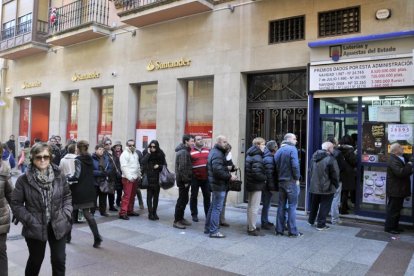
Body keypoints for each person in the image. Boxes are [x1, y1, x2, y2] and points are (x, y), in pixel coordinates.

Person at [11, 142, 72, 275]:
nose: (43, 160)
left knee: (59, 260)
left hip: (58, 223)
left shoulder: (59, 175)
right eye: (39, 157)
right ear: (32, 158)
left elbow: (67, 196)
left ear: (50, 157)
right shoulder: (24, 180)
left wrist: (66, 213)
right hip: (35, 226)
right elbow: (16, 203)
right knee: (35, 260)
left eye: (46, 156)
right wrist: (30, 221)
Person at [67, 140, 102, 247]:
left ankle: (67, 237)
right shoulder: (90, 158)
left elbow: (76, 175)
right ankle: (97, 237)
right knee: (88, 214)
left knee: (71, 213)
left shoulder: (78, 160)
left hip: (78, 189)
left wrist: (68, 177)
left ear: (78, 148)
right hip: (89, 189)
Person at [204, 136, 236, 238]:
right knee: (217, 208)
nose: (226, 143)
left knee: (213, 207)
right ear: (218, 142)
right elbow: (217, 171)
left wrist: (227, 168)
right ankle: (213, 231)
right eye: (224, 142)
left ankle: (208, 228)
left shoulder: (216, 152)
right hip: (218, 185)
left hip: (216, 184)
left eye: (227, 141)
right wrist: (230, 176)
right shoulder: (217, 153)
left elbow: (218, 168)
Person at [274, 133, 302, 237]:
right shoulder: (292, 149)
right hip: (290, 181)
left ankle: (279, 230)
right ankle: (293, 231)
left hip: (281, 181)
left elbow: (275, 166)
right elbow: (295, 165)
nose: (296, 141)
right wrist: (297, 178)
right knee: (292, 206)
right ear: (289, 140)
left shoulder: (279, 150)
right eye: (295, 139)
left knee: (281, 205)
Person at [308, 142, 340, 231]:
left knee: (315, 203)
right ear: (329, 149)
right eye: (332, 148)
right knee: (325, 205)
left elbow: (310, 170)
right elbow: (335, 175)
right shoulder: (330, 159)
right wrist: (336, 185)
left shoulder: (314, 156)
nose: (333, 150)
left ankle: (311, 220)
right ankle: (321, 224)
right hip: (327, 187)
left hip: (315, 185)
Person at [384, 143, 413, 234]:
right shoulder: (393, 160)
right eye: (400, 147)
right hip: (395, 189)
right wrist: (410, 164)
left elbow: (404, 172)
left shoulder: (399, 158)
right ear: (396, 151)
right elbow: (400, 173)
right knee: (393, 210)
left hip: (399, 188)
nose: (402, 148)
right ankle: (389, 228)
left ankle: (395, 226)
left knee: (397, 209)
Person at [245, 137, 267, 236]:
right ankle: (252, 228)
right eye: (263, 144)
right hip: (256, 184)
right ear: (258, 145)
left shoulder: (250, 154)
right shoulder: (257, 156)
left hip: (251, 183)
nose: (264, 146)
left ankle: (250, 225)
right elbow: (257, 173)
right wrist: (265, 178)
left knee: (250, 206)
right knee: (254, 207)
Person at [173, 134, 194, 229]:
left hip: (185, 180)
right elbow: (182, 168)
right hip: (183, 181)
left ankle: (181, 218)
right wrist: (186, 181)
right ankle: (177, 221)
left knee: (184, 199)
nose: (193, 143)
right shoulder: (183, 152)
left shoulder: (185, 151)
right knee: (181, 200)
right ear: (186, 141)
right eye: (192, 141)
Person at [141, 140, 166, 220]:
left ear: (157, 146)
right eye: (151, 146)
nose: (152, 148)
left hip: (157, 178)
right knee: (149, 197)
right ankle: (150, 213)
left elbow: (165, 166)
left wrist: (159, 166)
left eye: (154, 147)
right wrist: (148, 153)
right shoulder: (146, 152)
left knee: (156, 197)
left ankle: (154, 212)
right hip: (148, 178)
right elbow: (142, 162)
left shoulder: (160, 153)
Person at [190, 135, 211, 222]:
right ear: (194, 142)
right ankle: (194, 214)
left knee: (207, 196)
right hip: (195, 178)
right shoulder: (190, 152)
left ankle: (208, 215)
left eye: (201, 139)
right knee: (194, 196)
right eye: (198, 139)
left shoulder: (208, 150)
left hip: (206, 178)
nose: (200, 140)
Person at [119, 139, 141, 220]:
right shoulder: (124, 154)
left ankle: (130, 211)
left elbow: (137, 165)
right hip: (127, 178)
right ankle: (123, 212)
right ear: (127, 145)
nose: (131, 146)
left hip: (135, 177)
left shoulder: (135, 153)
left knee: (132, 196)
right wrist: (129, 177)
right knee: (127, 196)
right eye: (130, 145)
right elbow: (123, 167)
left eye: (133, 145)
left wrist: (139, 175)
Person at [59, 143, 80, 225]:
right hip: (76, 182)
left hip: (65, 182)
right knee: (75, 200)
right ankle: (75, 217)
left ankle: (67, 216)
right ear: (75, 150)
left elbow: (60, 171)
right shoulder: (77, 159)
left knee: (66, 200)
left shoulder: (63, 159)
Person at [0, 144, 13, 276]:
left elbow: (10, 194)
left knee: (1, 251)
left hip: (1, 218)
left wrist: (18, 211)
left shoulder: (4, 168)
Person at [327, 137, 345, 225]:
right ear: (333, 144)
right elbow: (342, 167)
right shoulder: (338, 153)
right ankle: (335, 219)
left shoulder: (322, 153)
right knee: (335, 198)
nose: (338, 142)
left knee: (326, 197)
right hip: (336, 179)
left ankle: (322, 215)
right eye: (336, 141)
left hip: (326, 179)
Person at [261, 140, 279, 230]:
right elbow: (269, 175)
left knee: (267, 204)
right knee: (266, 204)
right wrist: (271, 187)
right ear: (273, 148)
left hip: (266, 185)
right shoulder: (269, 158)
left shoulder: (269, 157)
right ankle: (264, 222)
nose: (277, 147)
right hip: (267, 186)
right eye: (276, 146)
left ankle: (265, 220)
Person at [338, 135, 357, 214]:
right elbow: (354, 162)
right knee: (346, 191)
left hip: (340, 171)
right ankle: (343, 209)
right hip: (348, 173)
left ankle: (342, 206)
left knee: (342, 191)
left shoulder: (338, 149)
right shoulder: (350, 150)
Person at [92, 144, 112, 216]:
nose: (101, 151)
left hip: (103, 181)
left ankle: (103, 211)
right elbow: (91, 171)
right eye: (100, 149)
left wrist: (107, 172)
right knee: (93, 198)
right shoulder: (92, 158)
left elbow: (110, 168)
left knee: (103, 197)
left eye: (103, 150)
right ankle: (92, 212)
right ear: (96, 150)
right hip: (94, 182)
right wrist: (100, 173)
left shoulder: (106, 158)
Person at [220, 143, 237, 227]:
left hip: (225, 181)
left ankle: (222, 219)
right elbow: (217, 169)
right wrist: (228, 169)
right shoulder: (218, 156)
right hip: (219, 182)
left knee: (223, 202)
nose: (229, 152)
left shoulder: (228, 156)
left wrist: (234, 167)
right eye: (228, 151)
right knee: (218, 203)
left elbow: (231, 165)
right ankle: (216, 221)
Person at [103, 139, 118, 212]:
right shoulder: (104, 153)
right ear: (104, 145)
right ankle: (103, 207)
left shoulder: (114, 152)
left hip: (113, 175)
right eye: (107, 144)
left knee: (112, 191)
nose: (108, 145)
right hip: (107, 174)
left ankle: (112, 205)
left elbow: (117, 163)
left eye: (110, 144)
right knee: (105, 191)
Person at [111, 141, 123, 207]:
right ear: (114, 147)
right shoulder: (112, 154)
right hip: (113, 174)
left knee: (120, 190)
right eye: (117, 146)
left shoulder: (123, 153)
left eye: (119, 146)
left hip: (121, 174)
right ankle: (112, 204)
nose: (118, 147)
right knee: (113, 190)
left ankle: (118, 201)